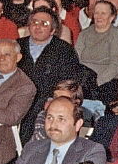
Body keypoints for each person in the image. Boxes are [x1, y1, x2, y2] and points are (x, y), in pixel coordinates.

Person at [17, 8, 82, 141]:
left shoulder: (63, 50)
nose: (38, 26)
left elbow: (68, 82)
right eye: (34, 22)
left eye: (44, 24)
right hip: (17, 99)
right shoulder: (17, 46)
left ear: (53, 30)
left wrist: (52, 100)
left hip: (46, 100)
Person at [75, 0, 118, 96]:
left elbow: (115, 66)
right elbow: (76, 59)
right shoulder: (84, 34)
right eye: (96, 13)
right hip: (84, 80)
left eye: (103, 13)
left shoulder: (117, 36)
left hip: (108, 81)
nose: (99, 16)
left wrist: (96, 82)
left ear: (112, 17)